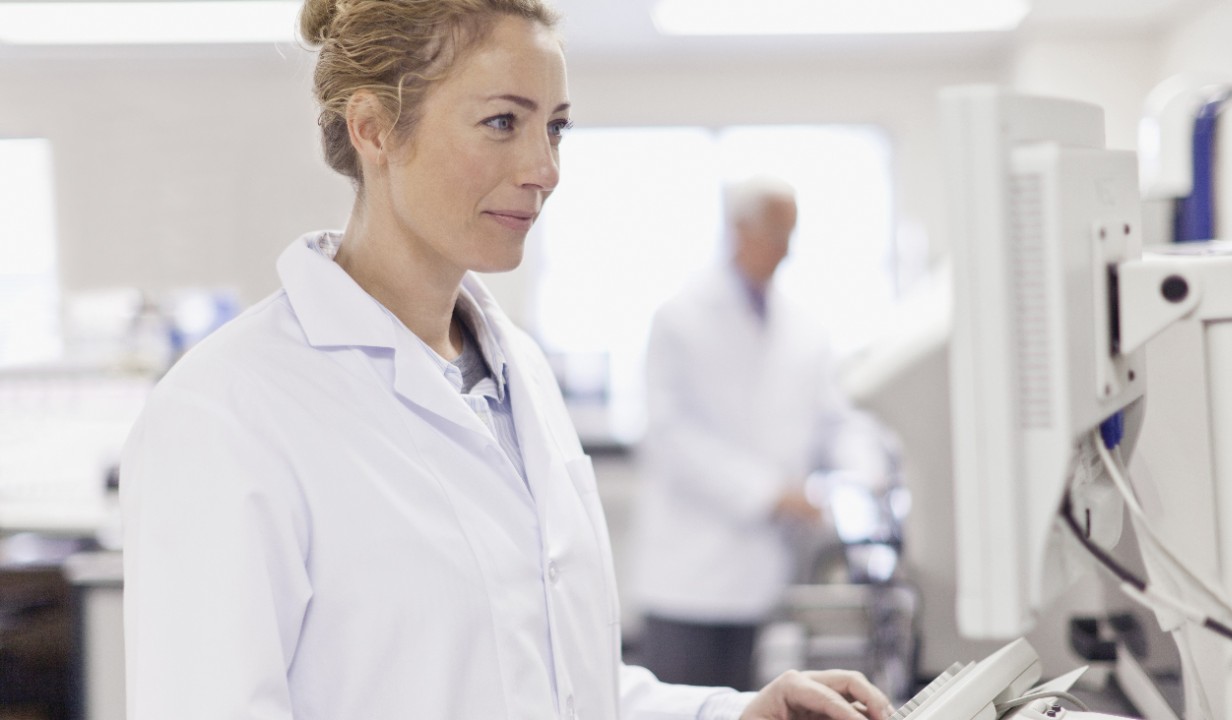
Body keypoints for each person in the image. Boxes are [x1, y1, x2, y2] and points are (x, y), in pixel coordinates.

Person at [119, 2, 894, 719]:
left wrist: (732, 713)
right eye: (501, 122)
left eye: (554, 128)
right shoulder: (226, 409)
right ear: (374, 130)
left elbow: (557, 674)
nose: (545, 169)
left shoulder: (514, 370)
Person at [631, 176, 892, 691]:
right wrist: (773, 494)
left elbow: (836, 421)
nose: (785, 250)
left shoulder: (805, 329)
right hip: (689, 577)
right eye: (776, 233)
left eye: (791, 234)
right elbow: (670, 436)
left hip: (763, 580)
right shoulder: (680, 319)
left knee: (751, 706)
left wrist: (863, 476)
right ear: (739, 230)